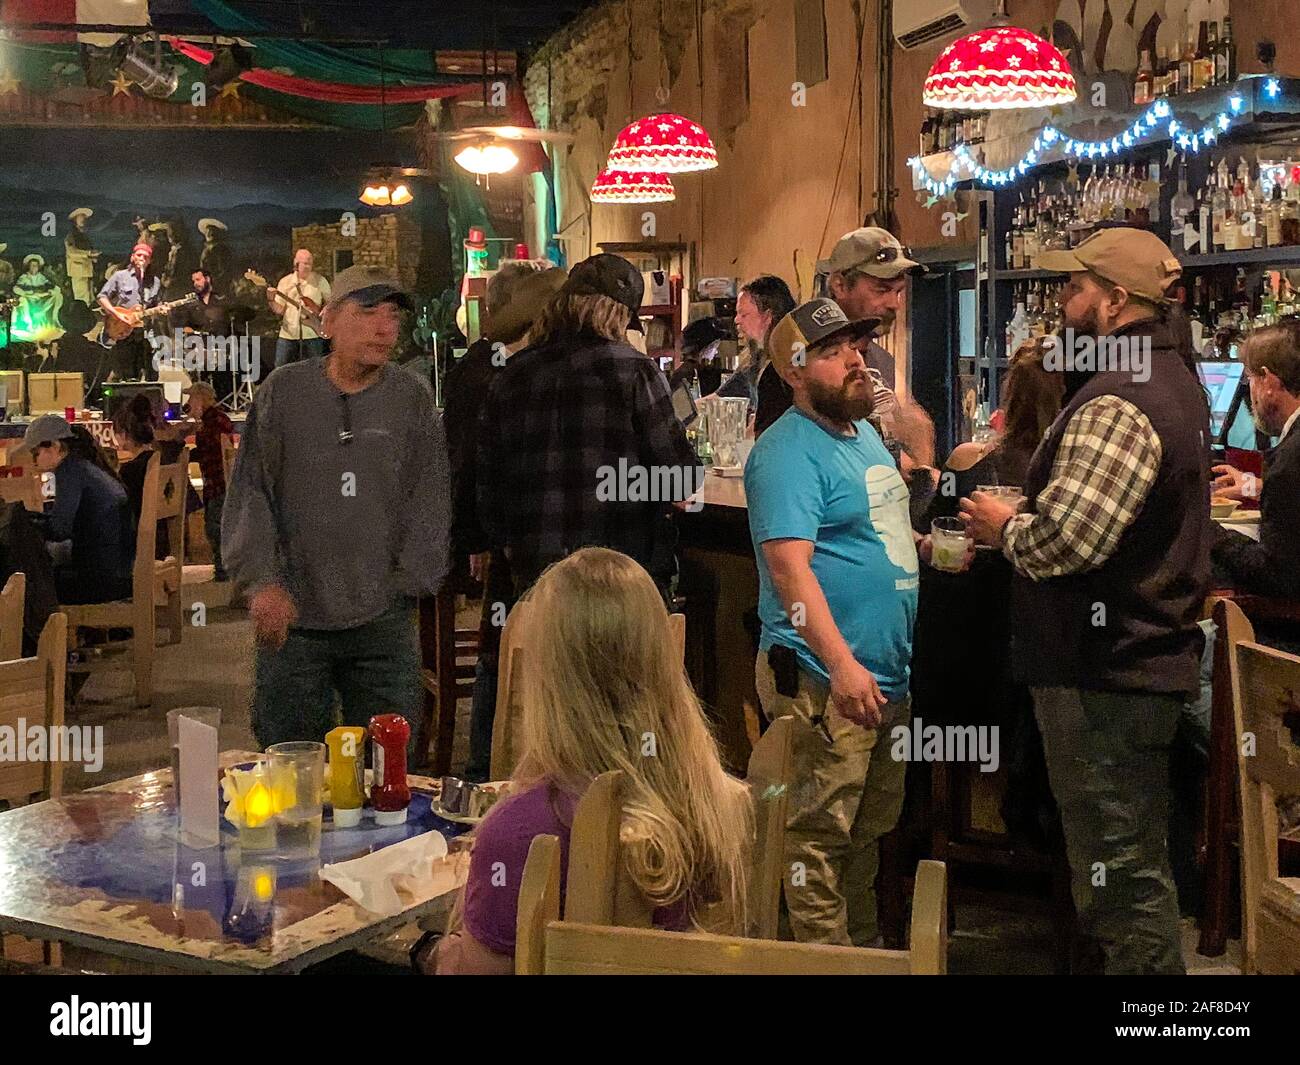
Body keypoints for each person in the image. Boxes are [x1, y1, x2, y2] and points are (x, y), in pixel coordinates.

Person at [960, 227, 1211, 975]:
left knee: (1121, 883)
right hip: (1136, 666)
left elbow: (1069, 541)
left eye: (1074, 289)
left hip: (1105, 672)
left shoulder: (1121, 398)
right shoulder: (1177, 381)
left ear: (1114, 300)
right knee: (1127, 869)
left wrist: (1006, 527)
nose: (1062, 302)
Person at [413, 547, 753, 974]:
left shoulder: (521, 832)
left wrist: (432, 953)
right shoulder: (716, 801)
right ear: (662, 660)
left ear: (548, 678)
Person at [744, 297, 921, 947]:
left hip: (882, 677)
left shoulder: (864, 433)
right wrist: (842, 664)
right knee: (815, 844)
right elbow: (790, 572)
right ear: (793, 369)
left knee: (865, 836)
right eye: (832, 350)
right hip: (823, 676)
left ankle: (863, 955)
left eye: (856, 345)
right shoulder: (786, 451)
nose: (855, 359)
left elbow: (871, 531)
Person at [223, 266, 450, 749]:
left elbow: (429, 497)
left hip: (382, 619)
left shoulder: (411, 399)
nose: (385, 328)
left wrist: (408, 582)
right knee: (290, 766)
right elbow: (251, 492)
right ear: (327, 322)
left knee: (390, 770)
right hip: (293, 620)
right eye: (367, 312)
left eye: (392, 316)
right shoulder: (283, 394)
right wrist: (260, 582)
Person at [477, 253, 703, 600]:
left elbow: (489, 496)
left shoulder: (510, 376)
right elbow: (680, 478)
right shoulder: (635, 372)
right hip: (620, 578)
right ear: (620, 315)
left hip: (536, 582)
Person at [912, 339, 1065, 845]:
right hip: (1030, 689)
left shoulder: (968, 461)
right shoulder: (1067, 481)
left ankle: (936, 844)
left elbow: (929, 522)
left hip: (954, 675)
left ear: (1009, 400)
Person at [443, 262, 567, 783]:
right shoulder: (497, 373)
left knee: (505, 642)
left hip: (504, 535)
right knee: (505, 646)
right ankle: (489, 770)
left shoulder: (484, 368)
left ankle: (492, 770)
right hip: (506, 539)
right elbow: (475, 467)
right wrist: (479, 536)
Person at [1210, 321, 1300, 653]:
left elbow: (1278, 576)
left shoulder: (1291, 459)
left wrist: (1212, 533)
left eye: (1250, 379)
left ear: (1268, 381)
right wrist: (1257, 488)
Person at [820, 228, 936, 469]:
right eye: (881, 290)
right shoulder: (807, 364)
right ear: (840, 285)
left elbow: (914, 423)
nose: (894, 304)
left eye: (899, 292)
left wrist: (924, 478)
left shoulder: (881, 359)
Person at [23, 414, 134, 605]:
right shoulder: (86, 467)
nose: (34, 460)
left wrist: (30, 523)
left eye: (36, 453)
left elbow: (60, 530)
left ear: (55, 447)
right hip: (120, 573)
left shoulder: (69, 471)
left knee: (29, 584)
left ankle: (41, 634)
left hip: (100, 582)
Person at [728, 275, 797, 435]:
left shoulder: (787, 365)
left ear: (767, 317)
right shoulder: (754, 360)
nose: (736, 320)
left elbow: (768, 422)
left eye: (743, 314)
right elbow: (721, 396)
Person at [182, 381, 235, 583]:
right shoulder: (211, 420)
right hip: (215, 483)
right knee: (213, 524)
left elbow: (214, 447)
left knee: (214, 526)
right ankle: (222, 570)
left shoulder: (214, 421)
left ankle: (224, 571)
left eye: (192, 398)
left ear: (201, 399)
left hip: (219, 484)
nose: (188, 402)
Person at [98, 242, 161, 380]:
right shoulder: (120, 276)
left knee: (151, 373)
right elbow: (102, 297)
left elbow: (155, 305)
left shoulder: (154, 282)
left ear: (150, 260)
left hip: (144, 333)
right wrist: (117, 313)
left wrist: (161, 310)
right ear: (132, 257)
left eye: (146, 257)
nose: (142, 259)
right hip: (123, 330)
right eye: (139, 255)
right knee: (127, 373)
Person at [267, 249, 331, 368]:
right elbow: (280, 310)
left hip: (313, 334)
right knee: (280, 370)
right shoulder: (285, 282)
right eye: (304, 263)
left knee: (316, 370)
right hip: (288, 335)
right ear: (296, 263)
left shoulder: (320, 281)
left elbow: (330, 304)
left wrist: (321, 314)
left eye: (310, 264)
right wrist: (271, 300)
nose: (307, 267)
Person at [669, 316, 730, 396]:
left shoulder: (682, 373)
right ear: (704, 347)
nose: (716, 352)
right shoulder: (698, 374)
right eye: (713, 347)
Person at [11, 254, 64, 344]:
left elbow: (53, 287)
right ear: (29, 267)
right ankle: (29, 325)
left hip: (41, 299)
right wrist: (27, 293)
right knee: (22, 300)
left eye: (36, 265)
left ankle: (55, 321)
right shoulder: (24, 277)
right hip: (29, 299)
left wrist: (49, 292)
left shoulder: (41, 277)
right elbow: (16, 288)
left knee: (58, 296)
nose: (34, 267)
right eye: (32, 265)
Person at [64, 208, 100, 306]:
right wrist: (88, 253)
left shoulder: (84, 236)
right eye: (81, 217)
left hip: (86, 270)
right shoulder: (71, 236)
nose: (83, 219)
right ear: (75, 220)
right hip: (78, 270)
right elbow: (71, 252)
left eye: (84, 217)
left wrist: (93, 257)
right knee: (81, 298)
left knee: (89, 297)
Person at [198, 218, 233, 296]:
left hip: (217, 288)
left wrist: (213, 283)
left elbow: (224, 271)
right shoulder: (206, 249)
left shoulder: (221, 249)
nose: (210, 233)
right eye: (208, 231)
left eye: (212, 231)